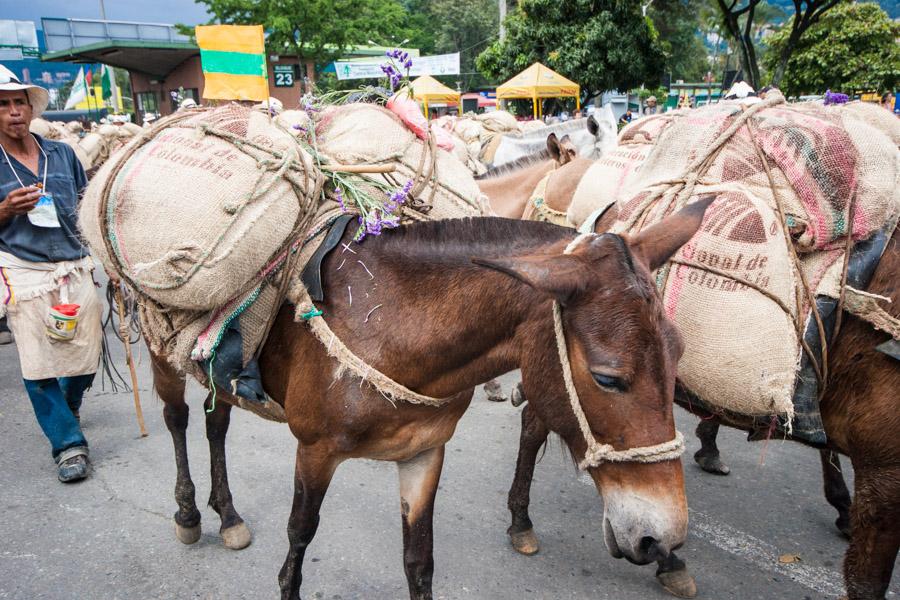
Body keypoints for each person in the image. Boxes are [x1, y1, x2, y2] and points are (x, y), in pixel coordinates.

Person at [0, 64, 102, 483]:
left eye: (19, 102)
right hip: (21, 268)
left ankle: (69, 401)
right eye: (3, 105)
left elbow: (84, 204)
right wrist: (6, 209)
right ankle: (68, 445)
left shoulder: (60, 154)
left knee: (84, 350)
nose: (13, 112)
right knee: (38, 359)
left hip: (73, 263)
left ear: (30, 107)